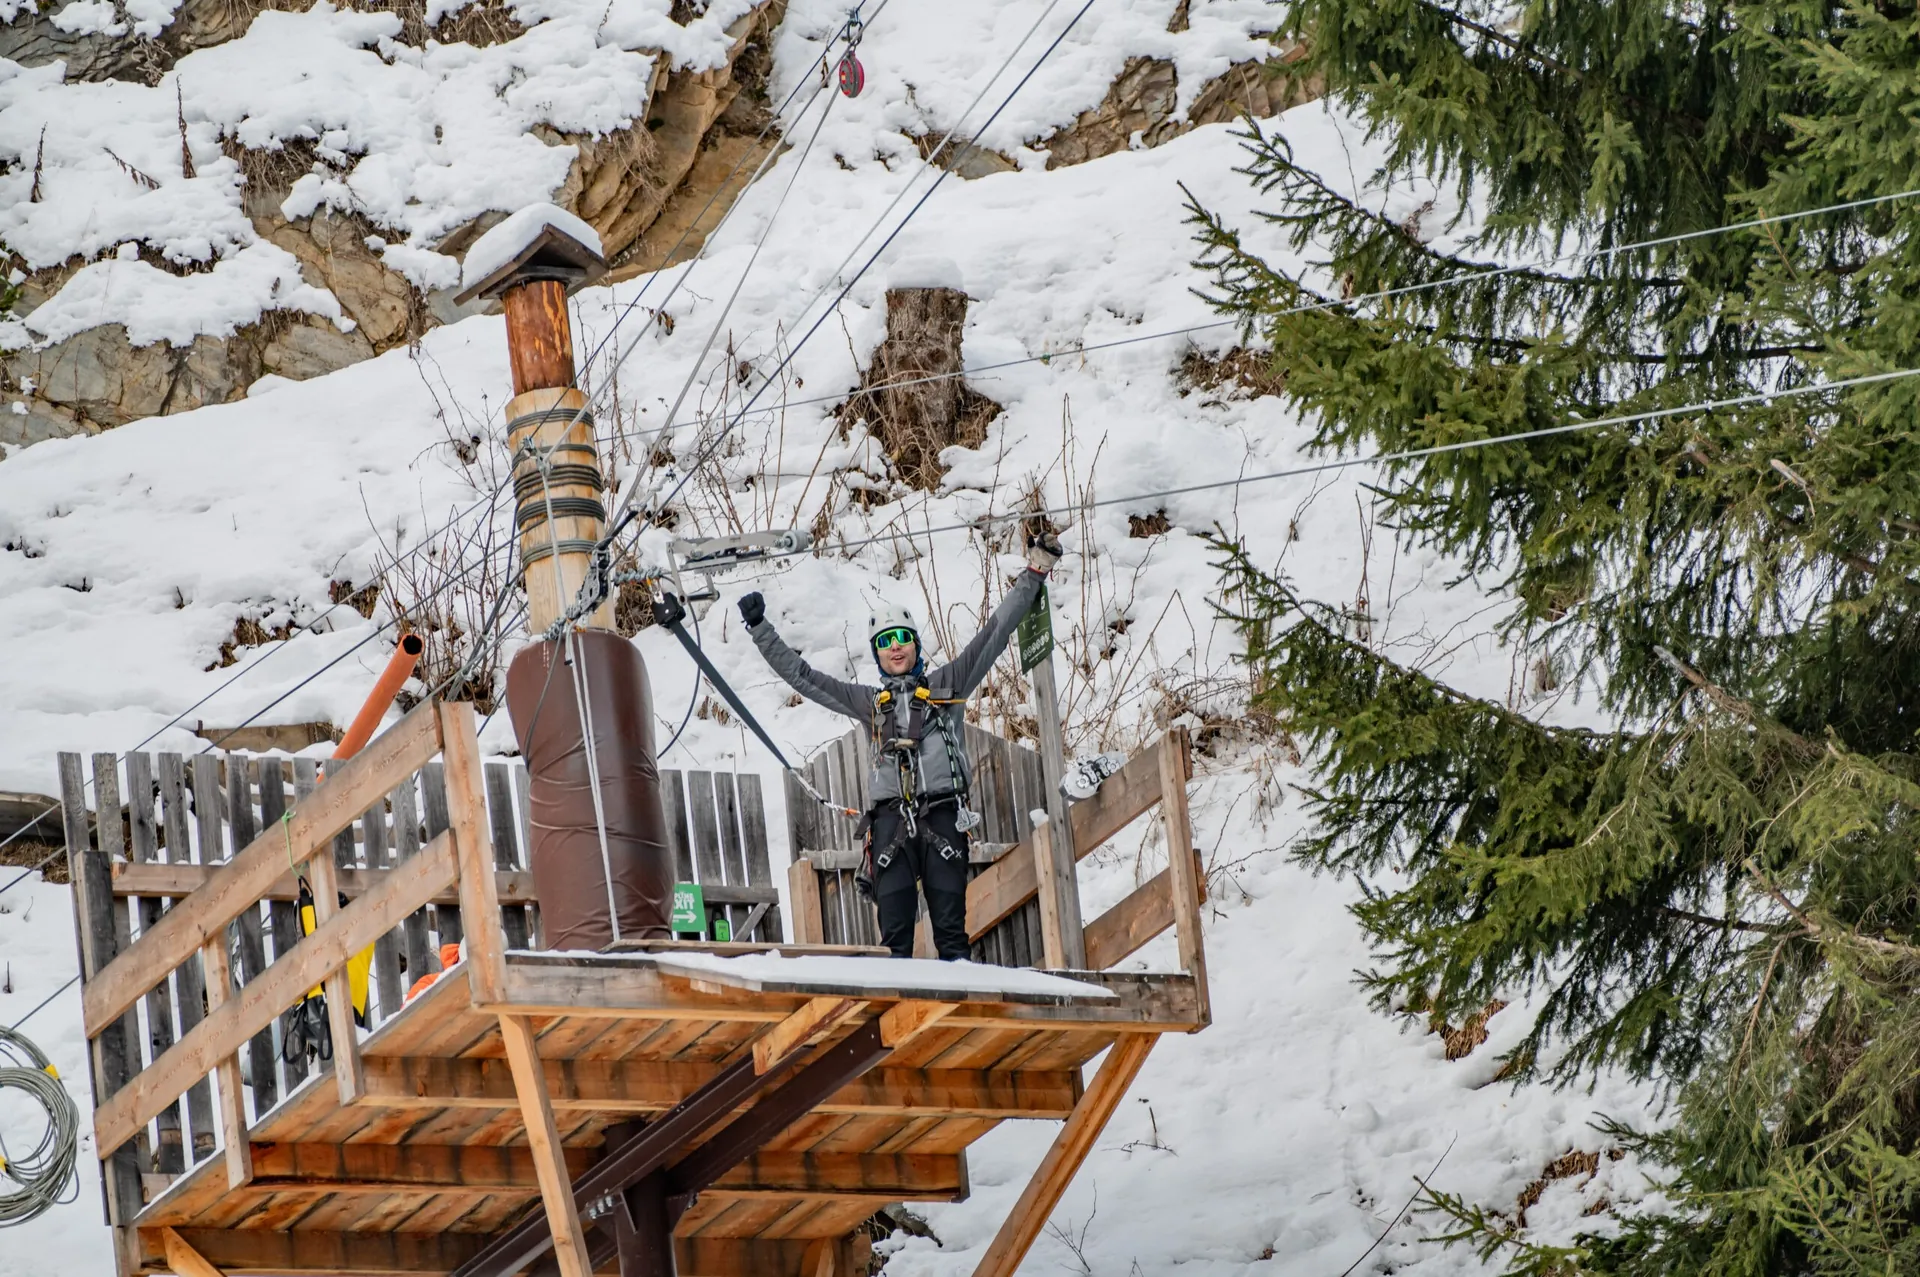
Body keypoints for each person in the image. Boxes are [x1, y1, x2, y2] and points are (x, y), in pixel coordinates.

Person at [739, 531, 1063, 959]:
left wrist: (1036, 571)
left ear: (915, 645)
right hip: (890, 825)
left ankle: (958, 996)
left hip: (944, 817)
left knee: (951, 935)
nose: (895, 647)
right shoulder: (868, 703)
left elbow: (995, 633)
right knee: (895, 942)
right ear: (877, 654)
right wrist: (760, 629)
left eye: (902, 638)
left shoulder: (950, 683)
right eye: (885, 641)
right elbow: (804, 677)